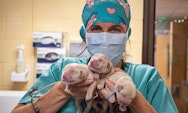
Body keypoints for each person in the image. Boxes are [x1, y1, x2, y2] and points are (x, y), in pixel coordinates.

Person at [11, 0, 178, 113]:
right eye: (96, 29)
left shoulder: (147, 78)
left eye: (115, 29)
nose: (105, 37)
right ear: (85, 34)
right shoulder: (63, 70)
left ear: (126, 35)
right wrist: (62, 91)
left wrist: (134, 100)